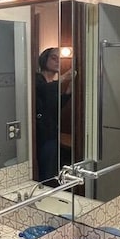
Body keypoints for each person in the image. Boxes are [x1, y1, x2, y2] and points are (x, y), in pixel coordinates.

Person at [35, 47, 72, 183]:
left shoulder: (52, 84)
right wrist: (63, 78)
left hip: (52, 132)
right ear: (44, 60)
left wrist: (67, 93)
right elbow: (42, 90)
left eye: (59, 59)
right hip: (40, 135)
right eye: (53, 58)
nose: (58, 61)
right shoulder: (37, 79)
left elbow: (55, 106)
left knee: (52, 169)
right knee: (45, 171)